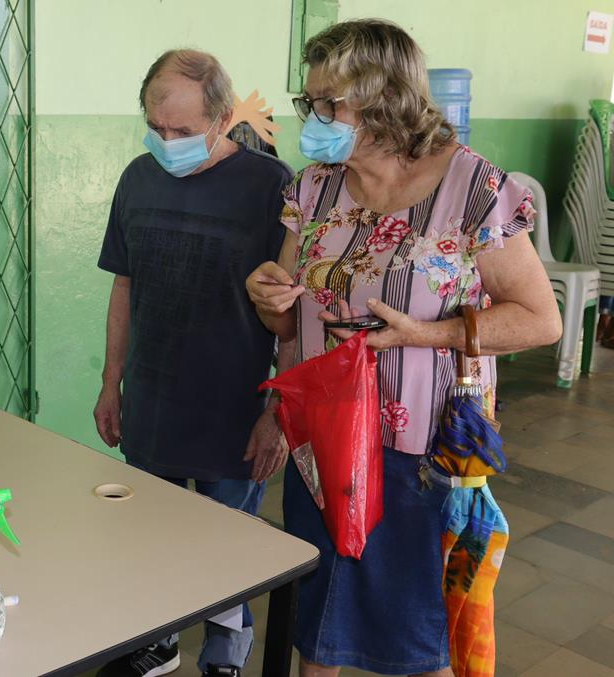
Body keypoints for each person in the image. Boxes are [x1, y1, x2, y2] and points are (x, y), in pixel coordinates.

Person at [246, 20, 561, 677]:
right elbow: (285, 317)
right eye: (310, 103)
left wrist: (431, 334)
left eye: (329, 103)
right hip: (319, 441)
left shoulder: (472, 189)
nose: (314, 119)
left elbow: (539, 319)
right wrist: (266, 297)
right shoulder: (313, 189)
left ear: (386, 99)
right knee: (318, 617)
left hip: (416, 451)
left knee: (415, 631)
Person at [93, 49, 293, 677]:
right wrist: (110, 384)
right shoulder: (138, 178)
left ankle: (225, 660)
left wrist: (278, 412)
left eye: (181, 131)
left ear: (219, 120)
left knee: (226, 549)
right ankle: (157, 641)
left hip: (233, 409)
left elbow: (293, 311)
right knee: (149, 538)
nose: (166, 141)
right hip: (153, 399)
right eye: (155, 126)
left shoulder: (269, 186)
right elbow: (123, 287)